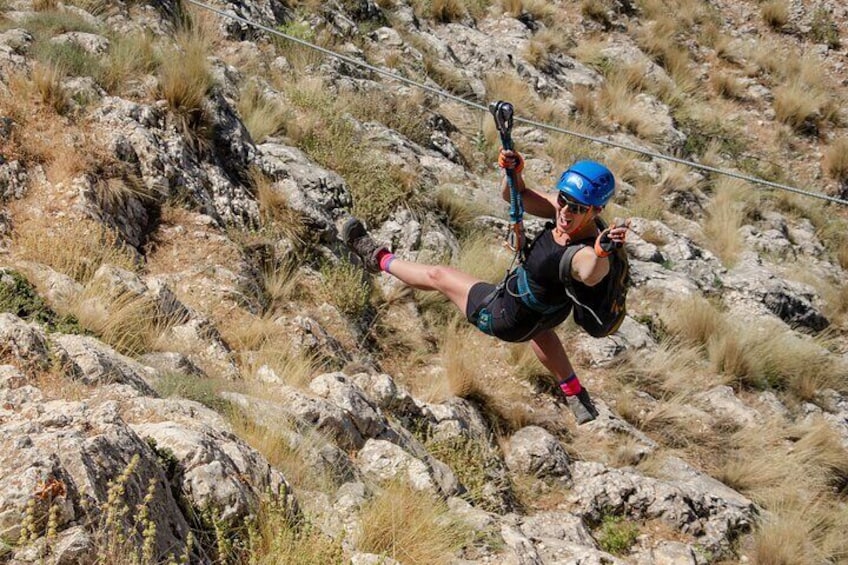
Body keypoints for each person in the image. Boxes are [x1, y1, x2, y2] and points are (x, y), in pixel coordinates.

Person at [342, 149, 629, 424]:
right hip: (542, 314)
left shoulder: (584, 253)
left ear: (596, 210)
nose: (565, 211)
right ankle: (574, 393)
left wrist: (602, 253)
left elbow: (591, 272)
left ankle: (375, 256)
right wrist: (513, 172)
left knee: (438, 276)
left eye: (576, 208)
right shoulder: (569, 214)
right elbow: (515, 196)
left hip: (504, 315)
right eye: (563, 200)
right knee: (541, 332)